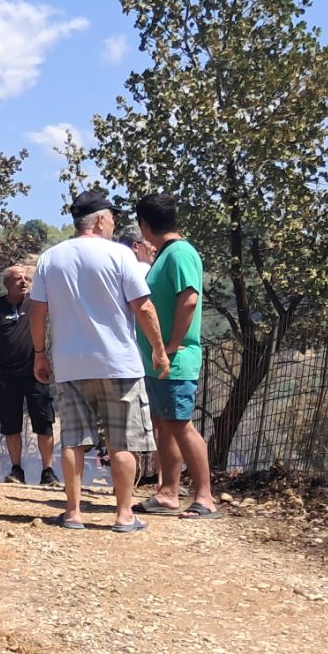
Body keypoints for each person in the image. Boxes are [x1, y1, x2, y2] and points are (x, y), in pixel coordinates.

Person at [30, 190, 170, 531]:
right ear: (101, 220)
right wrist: (159, 350)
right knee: (124, 440)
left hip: (70, 363)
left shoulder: (51, 258)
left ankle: (73, 512)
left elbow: (37, 310)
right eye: (113, 219)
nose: (114, 225)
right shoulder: (120, 256)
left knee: (74, 439)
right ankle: (124, 515)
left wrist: (39, 354)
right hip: (118, 363)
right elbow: (144, 307)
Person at [133, 193, 218, 519]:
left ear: (144, 225)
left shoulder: (180, 253)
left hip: (175, 359)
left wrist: (170, 346)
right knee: (164, 425)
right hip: (159, 362)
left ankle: (205, 498)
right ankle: (168, 493)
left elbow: (190, 299)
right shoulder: (167, 254)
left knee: (181, 425)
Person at [0, 265, 59, 486]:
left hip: (37, 374)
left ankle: (48, 472)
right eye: (18, 279)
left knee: (44, 422)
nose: (24, 282)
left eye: (27, 278)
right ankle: (16, 470)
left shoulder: (37, 304)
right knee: (11, 424)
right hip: (6, 376)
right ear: (7, 283)